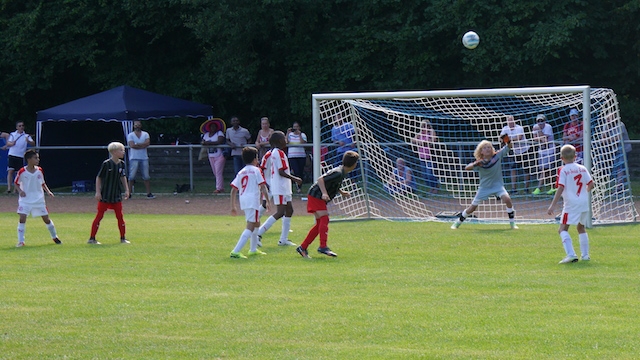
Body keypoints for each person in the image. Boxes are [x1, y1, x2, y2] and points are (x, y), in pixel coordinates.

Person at [296, 151, 360, 258]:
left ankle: (303, 247)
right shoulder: (338, 172)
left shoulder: (341, 172)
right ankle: (323, 246)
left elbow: (331, 182)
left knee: (319, 224)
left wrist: (341, 192)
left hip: (316, 195)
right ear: (354, 164)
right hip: (316, 195)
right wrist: (324, 193)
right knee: (325, 219)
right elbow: (321, 180)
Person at [451, 137, 517, 230]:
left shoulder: (497, 156)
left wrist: (507, 139)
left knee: (507, 199)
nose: (488, 149)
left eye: (489, 147)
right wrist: (475, 164)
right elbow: (467, 167)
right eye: (485, 148)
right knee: (472, 208)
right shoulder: (480, 163)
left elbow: (509, 146)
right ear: (481, 151)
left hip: (498, 186)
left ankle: (512, 224)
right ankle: (457, 223)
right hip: (484, 188)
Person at [547, 145, 594, 264]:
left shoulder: (563, 170)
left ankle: (571, 254)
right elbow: (591, 184)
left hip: (571, 204)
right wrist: (584, 193)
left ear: (561, 157)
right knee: (580, 227)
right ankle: (585, 255)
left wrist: (552, 205)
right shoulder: (582, 168)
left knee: (562, 229)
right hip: (583, 202)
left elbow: (560, 187)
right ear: (575, 156)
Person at [256, 131, 303, 246]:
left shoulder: (275, 153)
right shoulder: (279, 153)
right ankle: (259, 233)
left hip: (283, 186)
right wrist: (295, 178)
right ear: (279, 141)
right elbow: (281, 171)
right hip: (280, 186)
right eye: (283, 138)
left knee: (289, 210)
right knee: (280, 212)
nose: (286, 140)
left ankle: (283, 239)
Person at [14, 149, 61, 247]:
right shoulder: (22, 171)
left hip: (38, 199)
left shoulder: (39, 170)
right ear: (29, 159)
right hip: (25, 200)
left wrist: (48, 191)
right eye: (35, 158)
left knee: (46, 219)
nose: (38, 160)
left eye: (38, 158)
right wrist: (20, 191)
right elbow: (16, 183)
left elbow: (42, 182)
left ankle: (54, 236)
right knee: (22, 218)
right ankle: (21, 241)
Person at [229, 147, 271, 259]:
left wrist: (233, 206)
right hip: (253, 200)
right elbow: (263, 187)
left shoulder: (241, 172)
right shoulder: (257, 170)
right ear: (254, 159)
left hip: (244, 199)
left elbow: (233, 190)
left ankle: (253, 249)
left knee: (256, 222)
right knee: (250, 226)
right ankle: (236, 251)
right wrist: (267, 200)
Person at [88, 142, 130, 245]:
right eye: (121, 150)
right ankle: (92, 238)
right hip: (105, 195)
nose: (123, 152)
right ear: (114, 152)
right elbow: (99, 177)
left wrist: (127, 189)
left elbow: (123, 177)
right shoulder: (106, 164)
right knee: (99, 216)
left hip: (116, 195)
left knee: (120, 216)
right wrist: (98, 192)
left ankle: (123, 238)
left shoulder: (122, 164)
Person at [499, 115, 531, 194]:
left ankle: (526, 189)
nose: (510, 122)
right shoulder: (505, 128)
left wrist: (507, 139)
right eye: (509, 121)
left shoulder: (519, 128)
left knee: (526, 169)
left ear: (514, 121)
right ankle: (514, 189)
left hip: (524, 150)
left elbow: (519, 138)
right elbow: (500, 138)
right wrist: (507, 140)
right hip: (514, 151)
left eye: (511, 120)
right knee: (513, 169)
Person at [127, 120, 154, 199]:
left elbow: (147, 143)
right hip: (133, 158)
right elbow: (132, 145)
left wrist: (137, 145)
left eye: (138, 125)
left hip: (144, 157)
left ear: (141, 126)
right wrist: (142, 145)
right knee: (131, 176)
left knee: (146, 176)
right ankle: (129, 193)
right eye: (136, 125)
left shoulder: (145, 134)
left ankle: (149, 193)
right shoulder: (130, 135)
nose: (137, 126)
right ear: (133, 126)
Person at [5, 121, 35, 193]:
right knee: (10, 171)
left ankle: (16, 189)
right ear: (17, 127)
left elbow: (33, 143)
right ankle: (9, 188)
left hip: (21, 156)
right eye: (19, 126)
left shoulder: (26, 136)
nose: (21, 127)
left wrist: (29, 142)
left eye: (22, 126)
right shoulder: (12, 134)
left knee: (18, 173)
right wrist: (12, 143)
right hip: (12, 155)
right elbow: (8, 143)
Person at [531, 114, 557, 195]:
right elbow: (535, 138)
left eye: (542, 121)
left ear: (545, 121)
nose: (540, 123)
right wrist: (540, 138)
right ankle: (553, 187)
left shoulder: (548, 127)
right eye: (538, 121)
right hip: (541, 151)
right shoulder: (535, 126)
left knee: (546, 169)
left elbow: (545, 139)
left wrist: (539, 131)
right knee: (545, 170)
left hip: (549, 150)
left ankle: (539, 188)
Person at [411, 120, 439, 192]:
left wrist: (426, 142)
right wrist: (420, 142)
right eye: (422, 126)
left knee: (430, 173)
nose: (423, 128)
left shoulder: (431, 131)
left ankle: (435, 187)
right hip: (422, 157)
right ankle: (432, 187)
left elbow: (434, 139)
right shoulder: (420, 133)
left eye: (425, 126)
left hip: (430, 157)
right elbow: (413, 140)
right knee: (424, 175)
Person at [201, 119, 227, 193]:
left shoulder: (219, 133)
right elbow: (202, 141)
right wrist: (205, 143)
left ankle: (218, 188)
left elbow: (219, 141)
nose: (213, 128)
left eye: (214, 126)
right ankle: (221, 187)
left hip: (219, 155)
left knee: (218, 171)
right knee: (215, 172)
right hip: (211, 155)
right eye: (211, 126)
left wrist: (208, 143)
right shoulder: (206, 134)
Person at [286, 121, 308, 193]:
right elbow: (286, 142)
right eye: (294, 127)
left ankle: (300, 187)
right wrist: (287, 133)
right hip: (292, 156)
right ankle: (297, 187)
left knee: (301, 171)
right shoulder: (290, 135)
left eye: (297, 127)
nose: (295, 128)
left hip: (301, 155)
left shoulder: (303, 134)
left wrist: (299, 135)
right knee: (296, 171)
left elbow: (303, 143)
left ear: (299, 127)